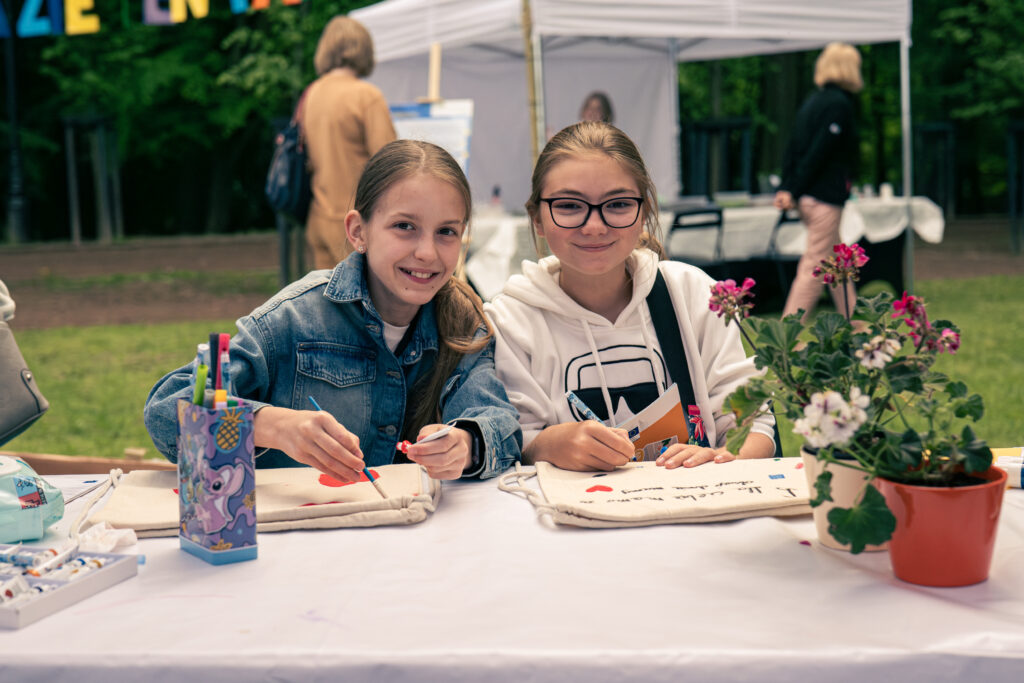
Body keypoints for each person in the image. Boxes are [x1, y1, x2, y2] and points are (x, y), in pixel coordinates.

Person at [145, 140, 521, 482]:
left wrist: (467, 444)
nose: (427, 252)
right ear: (358, 231)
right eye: (404, 227)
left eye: (446, 232)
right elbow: (167, 409)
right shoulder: (293, 319)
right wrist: (272, 426)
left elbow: (502, 425)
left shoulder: (462, 325)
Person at [484, 121, 775, 472]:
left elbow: (753, 421)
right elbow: (511, 439)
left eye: (618, 204)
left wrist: (724, 457)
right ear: (537, 219)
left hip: (693, 512)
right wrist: (549, 444)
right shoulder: (511, 319)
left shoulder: (692, 294)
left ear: (645, 211)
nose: (594, 226)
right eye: (569, 206)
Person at [774, 42, 863, 321]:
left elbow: (793, 148)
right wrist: (792, 188)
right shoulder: (838, 104)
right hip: (822, 196)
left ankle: (857, 325)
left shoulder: (813, 102)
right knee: (815, 265)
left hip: (808, 196)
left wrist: (788, 187)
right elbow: (819, 153)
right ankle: (787, 333)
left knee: (839, 262)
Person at [303, 15, 397, 270]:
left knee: (325, 306)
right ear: (364, 49)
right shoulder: (366, 96)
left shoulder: (312, 94)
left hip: (319, 218)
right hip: (357, 224)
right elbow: (392, 163)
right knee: (364, 307)